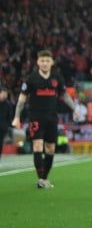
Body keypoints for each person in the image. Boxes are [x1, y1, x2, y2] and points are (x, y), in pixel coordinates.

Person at [11, 50, 78, 189]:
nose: (45, 63)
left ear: (52, 62)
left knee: (50, 149)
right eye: (42, 61)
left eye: (47, 61)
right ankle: (41, 179)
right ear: (38, 62)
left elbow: (65, 95)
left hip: (52, 118)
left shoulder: (57, 78)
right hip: (35, 117)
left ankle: (45, 177)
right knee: (37, 146)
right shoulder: (31, 79)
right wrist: (17, 117)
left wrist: (75, 109)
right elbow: (22, 100)